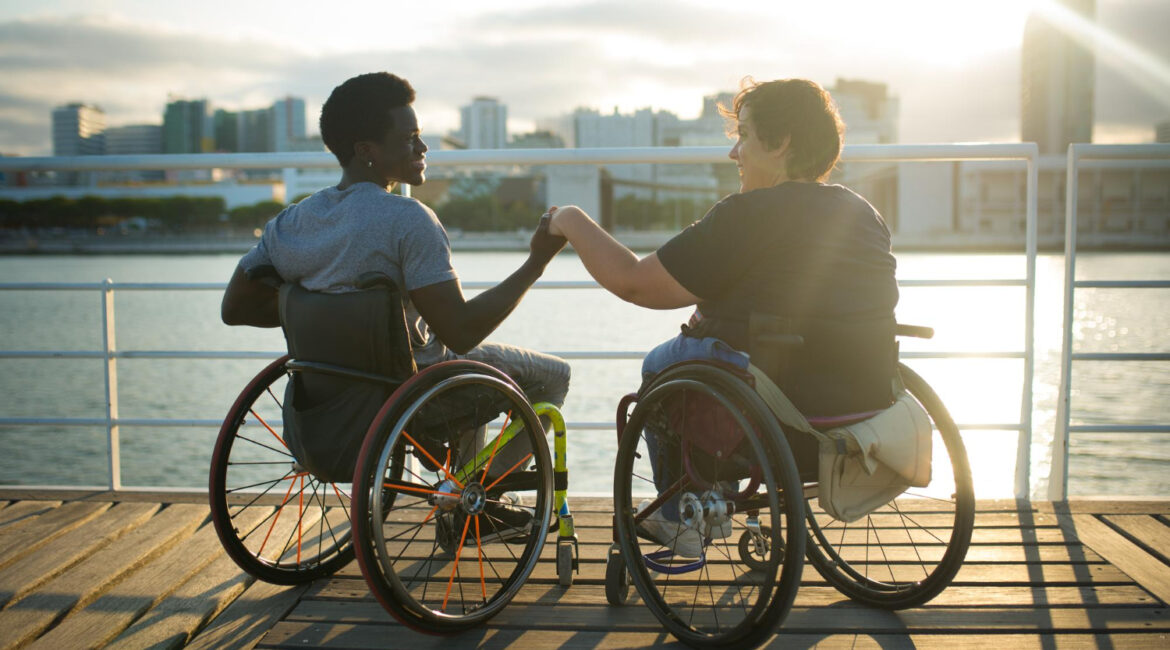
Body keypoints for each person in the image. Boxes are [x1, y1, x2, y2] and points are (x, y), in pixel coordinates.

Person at [546, 78, 898, 555]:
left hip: (777, 411)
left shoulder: (746, 215)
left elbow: (634, 281)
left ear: (781, 143)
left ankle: (678, 519)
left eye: (745, 135)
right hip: (862, 411)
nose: (735, 153)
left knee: (661, 364)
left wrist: (568, 219)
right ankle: (711, 493)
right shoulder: (863, 213)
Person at [221, 72, 570, 538]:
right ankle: (476, 501)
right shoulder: (408, 220)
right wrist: (537, 261)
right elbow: (462, 332)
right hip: (416, 394)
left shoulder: (293, 223)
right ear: (367, 150)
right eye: (409, 139)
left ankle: (462, 495)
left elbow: (235, 307)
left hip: (334, 397)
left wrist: (317, 315)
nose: (423, 147)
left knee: (469, 367)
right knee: (552, 376)